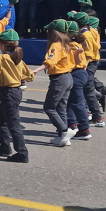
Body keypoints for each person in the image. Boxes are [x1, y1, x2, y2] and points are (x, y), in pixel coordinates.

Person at [0, 29, 33, 163]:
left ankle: (22, 153)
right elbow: (29, 76)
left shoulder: (2, 58)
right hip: (15, 92)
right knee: (0, 121)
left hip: (8, 93)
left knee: (13, 124)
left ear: (2, 45)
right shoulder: (18, 59)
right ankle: (4, 146)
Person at [32, 19, 81, 147]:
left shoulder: (56, 45)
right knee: (61, 108)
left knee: (49, 107)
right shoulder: (68, 44)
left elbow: (50, 61)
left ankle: (64, 132)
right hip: (68, 76)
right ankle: (62, 137)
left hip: (59, 78)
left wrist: (36, 70)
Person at [64, 20, 92, 141]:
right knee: (71, 101)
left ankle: (84, 129)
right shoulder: (77, 42)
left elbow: (75, 61)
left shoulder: (70, 45)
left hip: (76, 73)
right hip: (81, 72)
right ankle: (72, 123)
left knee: (77, 102)